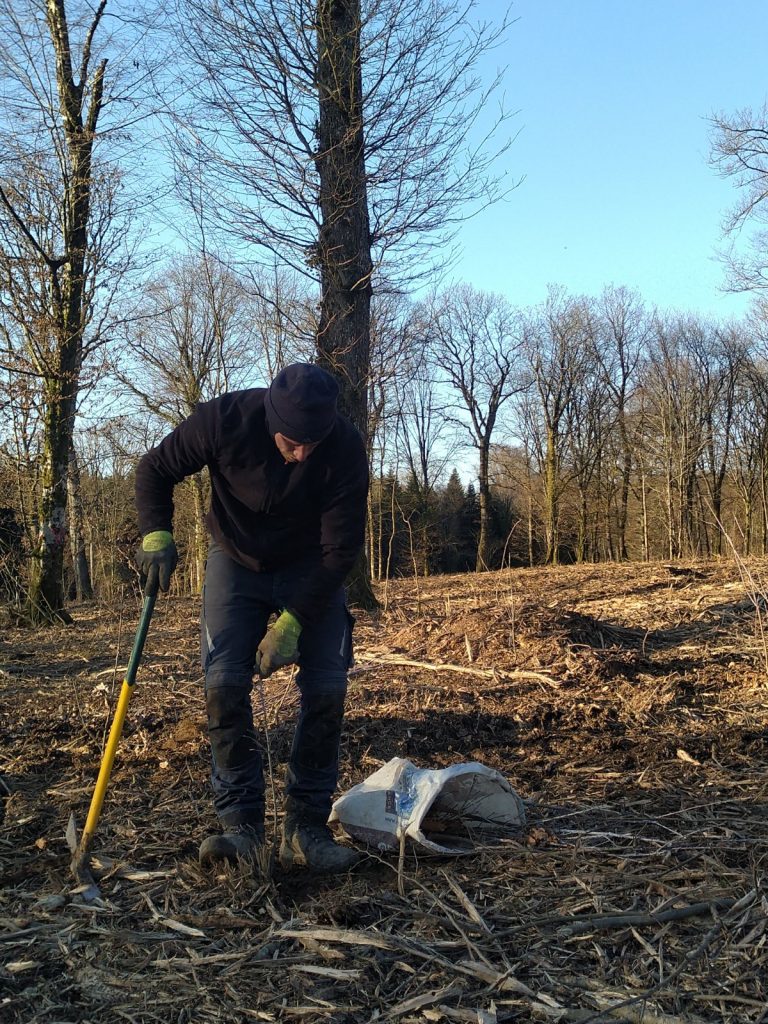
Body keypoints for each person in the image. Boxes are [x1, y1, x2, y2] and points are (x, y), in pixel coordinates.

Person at [134, 363, 369, 873]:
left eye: (314, 441)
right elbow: (153, 470)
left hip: (312, 565)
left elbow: (341, 549)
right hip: (235, 558)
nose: (303, 453)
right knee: (223, 682)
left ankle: (305, 826)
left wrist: (293, 622)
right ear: (271, 419)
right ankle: (241, 824)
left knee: (328, 685)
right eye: (292, 442)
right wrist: (155, 533)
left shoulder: (345, 446)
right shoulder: (223, 420)